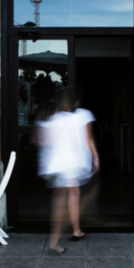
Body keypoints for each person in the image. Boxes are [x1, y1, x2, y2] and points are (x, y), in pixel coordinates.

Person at [37, 88, 99, 254]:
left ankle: (74, 231)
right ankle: (59, 238)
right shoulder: (83, 116)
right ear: (75, 103)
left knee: (63, 199)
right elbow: (89, 138)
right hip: (72, 164)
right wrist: (96, 157)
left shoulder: (55, 119)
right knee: (69, 199)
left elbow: (42, 139)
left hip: (58, 164)